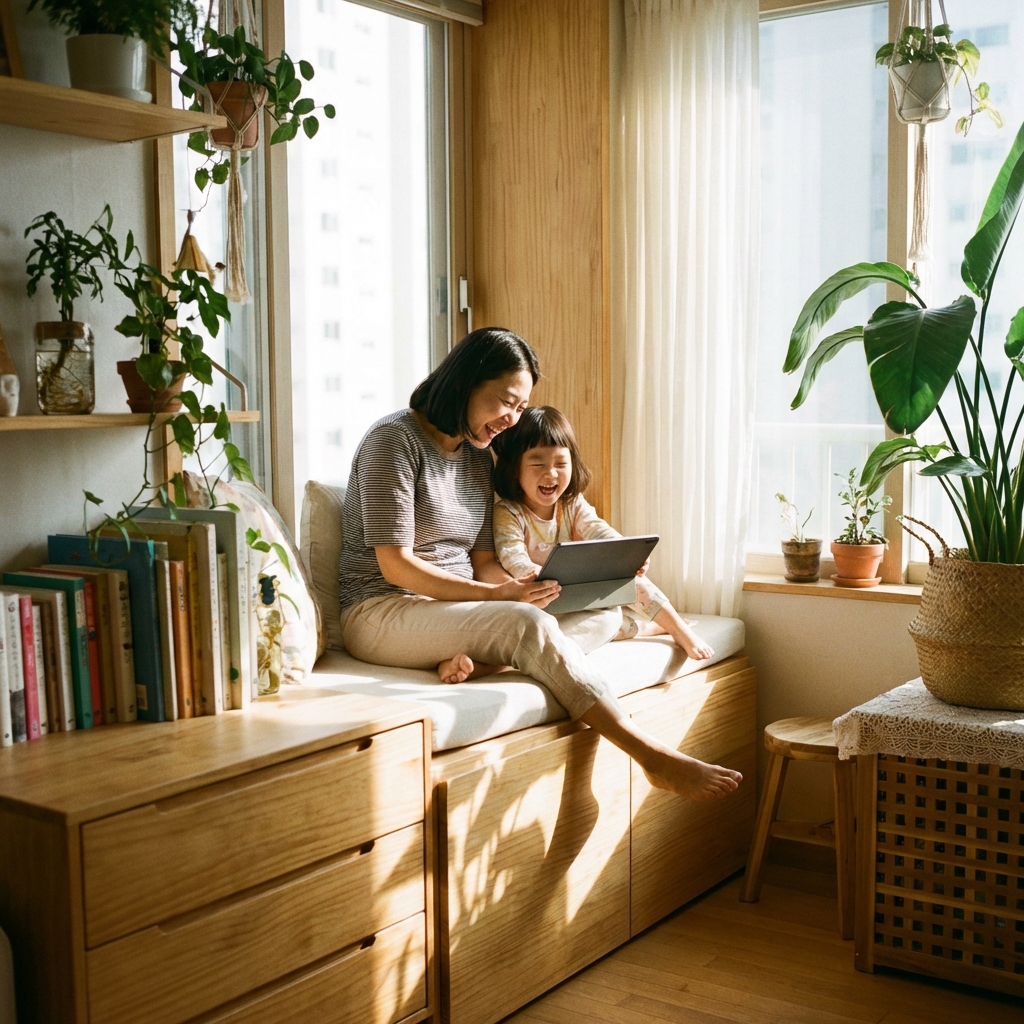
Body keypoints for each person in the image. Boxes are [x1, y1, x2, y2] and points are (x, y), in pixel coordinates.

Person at [339, 327, 741, 801]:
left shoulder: (476, 457)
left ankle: (496, 660)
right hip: (382, 610)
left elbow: (484, 560)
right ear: (467, 381)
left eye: (519, 407)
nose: (511, 419)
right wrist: (498, 598)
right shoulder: (392, 443)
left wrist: (522, 584)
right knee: (524, 624)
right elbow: (397, 567)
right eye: (506, 402)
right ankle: (650, 755)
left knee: (601, 612)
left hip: (457, 611)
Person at [491, 405, 714, 660]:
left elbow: (599, 530)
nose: (550, 473)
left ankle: (678, 629)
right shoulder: (508, 512)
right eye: (537, 463)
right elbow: (511, 553)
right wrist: (534, 575)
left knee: (633, 582)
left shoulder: (572, 504)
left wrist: (626, 554)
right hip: (538, 598)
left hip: (575, 592)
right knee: (610, 622)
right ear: (514, 467)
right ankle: (646, 627)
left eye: (561, 463)